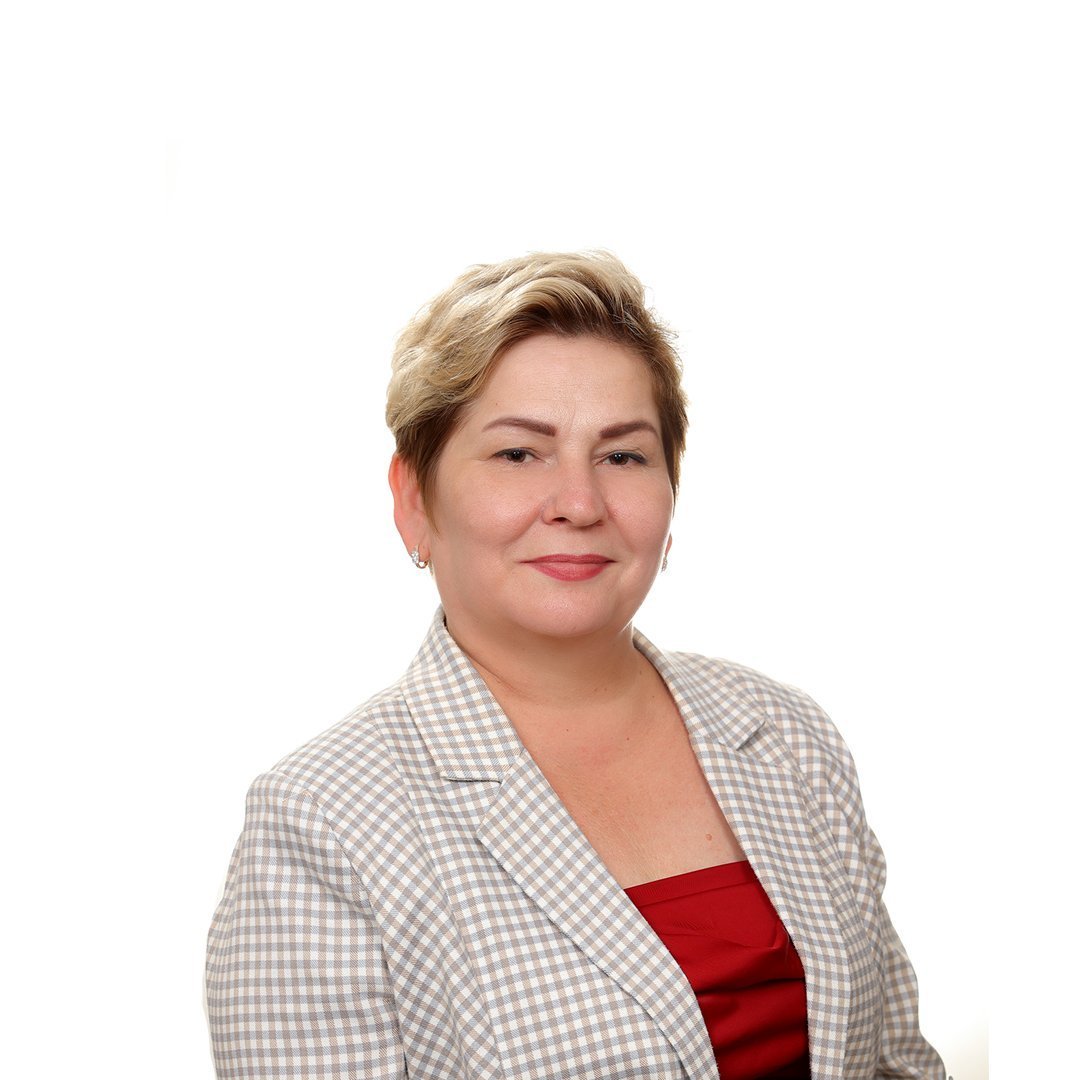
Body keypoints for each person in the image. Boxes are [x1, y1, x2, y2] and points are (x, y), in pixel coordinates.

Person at [206, 252, 946, 1079]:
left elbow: (899, 1066)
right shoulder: (321, 822)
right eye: (519, 454)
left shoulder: (786, 733)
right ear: (414, 499)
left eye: (623, 456)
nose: (581, 503)